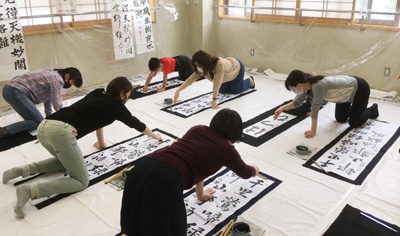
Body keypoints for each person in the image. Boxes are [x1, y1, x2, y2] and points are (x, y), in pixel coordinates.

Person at [2, 76, 162, 219]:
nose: (128, 97)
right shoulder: (116, 106)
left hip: (45, 126)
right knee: (81, 180)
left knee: (63, 162)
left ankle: (20, 171)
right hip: (60, 132)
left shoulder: (97, 94)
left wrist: (101, 143)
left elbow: (99, 121)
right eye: (129, 93)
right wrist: (155, 136)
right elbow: (136, 124)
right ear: (123, 93)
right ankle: (30, 191)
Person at [118, 108, 259, 236]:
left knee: (133, 221)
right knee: (168, 229)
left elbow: (197, 164)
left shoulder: (198, 129)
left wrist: (200, 195)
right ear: (236, 131)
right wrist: (255, 169)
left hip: (143, 167)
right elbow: (245, 172)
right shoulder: (226, 150)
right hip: (165, 180)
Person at [274, 70, 379, 138]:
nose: (294, 91)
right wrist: (282, 108)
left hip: (359, 88)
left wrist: (313, 131)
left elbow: (315, 109)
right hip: (343, 95)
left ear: (300, 85)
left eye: (293, 88)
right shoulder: (307, 88)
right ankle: (356, 109)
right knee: (340, 119)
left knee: (354, 122)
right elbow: (297, 102)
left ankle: (373, 109)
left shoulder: (318, 86)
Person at [0, 67, 83, 138]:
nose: (70, 85)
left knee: (33, 121)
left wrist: (49, 119)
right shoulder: (58, 80)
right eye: (72, 82)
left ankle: (6, 131)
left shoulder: (52, 72)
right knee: (38, 122)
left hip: (11, 89)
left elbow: (49, 101)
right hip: (16, 91)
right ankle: (3, 131)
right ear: (67, 76)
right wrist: (65, 119)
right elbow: (57, 103)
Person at [173, 50, 255, 109]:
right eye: (196, 65)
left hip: (237, 68)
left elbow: (217, 83)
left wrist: (214, 100)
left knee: (235, 90)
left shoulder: (219, 64)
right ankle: (233, 83)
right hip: (226, 76)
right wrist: (178, 90)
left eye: (199, 65)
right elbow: (191, 79)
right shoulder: (202, 68)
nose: (198, 68)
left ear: (205, 63)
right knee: (223, 91)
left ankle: (249, 81)